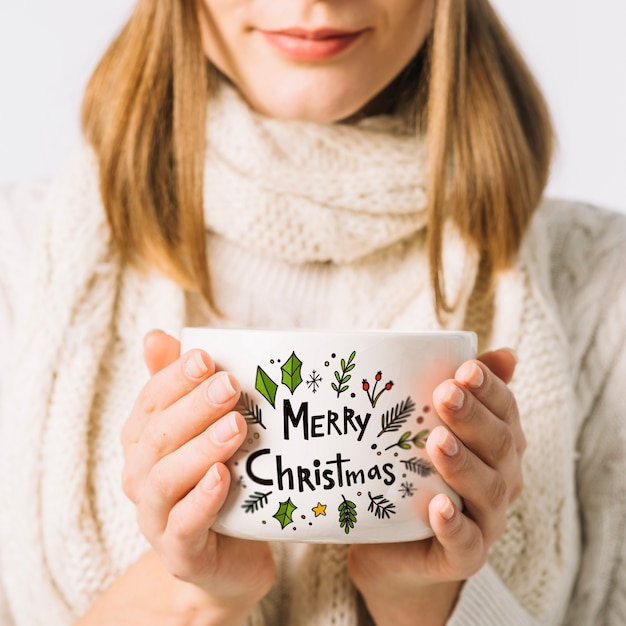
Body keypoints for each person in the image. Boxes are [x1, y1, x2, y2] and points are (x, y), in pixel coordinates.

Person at [0, 0, 625, 624]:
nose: (315, 3)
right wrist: (189, 597)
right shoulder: (20, 264)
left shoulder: (603, 288)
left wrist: (427, 601)